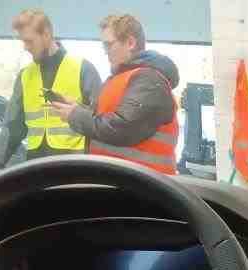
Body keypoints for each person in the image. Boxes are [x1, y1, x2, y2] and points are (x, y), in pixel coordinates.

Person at [50, 14, 180, 175]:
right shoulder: (123, 78)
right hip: (123, 180)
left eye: (109, 45)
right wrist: (78, 108)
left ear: (130, 43)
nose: (106, 52)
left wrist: (76, 116)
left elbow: (122, 128)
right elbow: (108, 118)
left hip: (145, 184)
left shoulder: (149, 80)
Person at [0, 9, 101, 180]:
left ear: (46, 34)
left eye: (29, 41)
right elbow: (13, 125)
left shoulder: (83, 69)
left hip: (74, 167)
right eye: (23, 41)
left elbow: (100, 122)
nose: (25, 47)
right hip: (36, 169)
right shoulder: (25, 75)